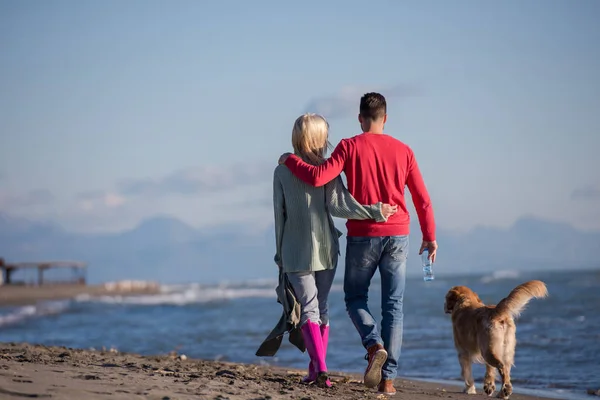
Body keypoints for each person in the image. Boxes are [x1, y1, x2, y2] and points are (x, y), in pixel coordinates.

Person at [278, 93, 437, 395]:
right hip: (399, 234)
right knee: (394, 307)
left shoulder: (350, 146)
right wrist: (429, 237)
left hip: (363, 235)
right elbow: (422, 199)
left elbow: (318, 177)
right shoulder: (404, 150)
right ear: (385, 119)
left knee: (354, 298)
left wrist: (290, 160)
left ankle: (373, 343)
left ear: (360, 118)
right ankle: (388, 382)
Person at [273, 113, 397, 388]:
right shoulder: (327, 169)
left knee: (309, 308)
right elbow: (341, 205)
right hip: (327, 247)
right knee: (322, 308)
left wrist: (279, 255)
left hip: (295, 249)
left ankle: (319, 370)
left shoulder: (281, 171)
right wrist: (375, 211)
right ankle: (318, 370)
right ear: (319, 138)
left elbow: (279, 218)